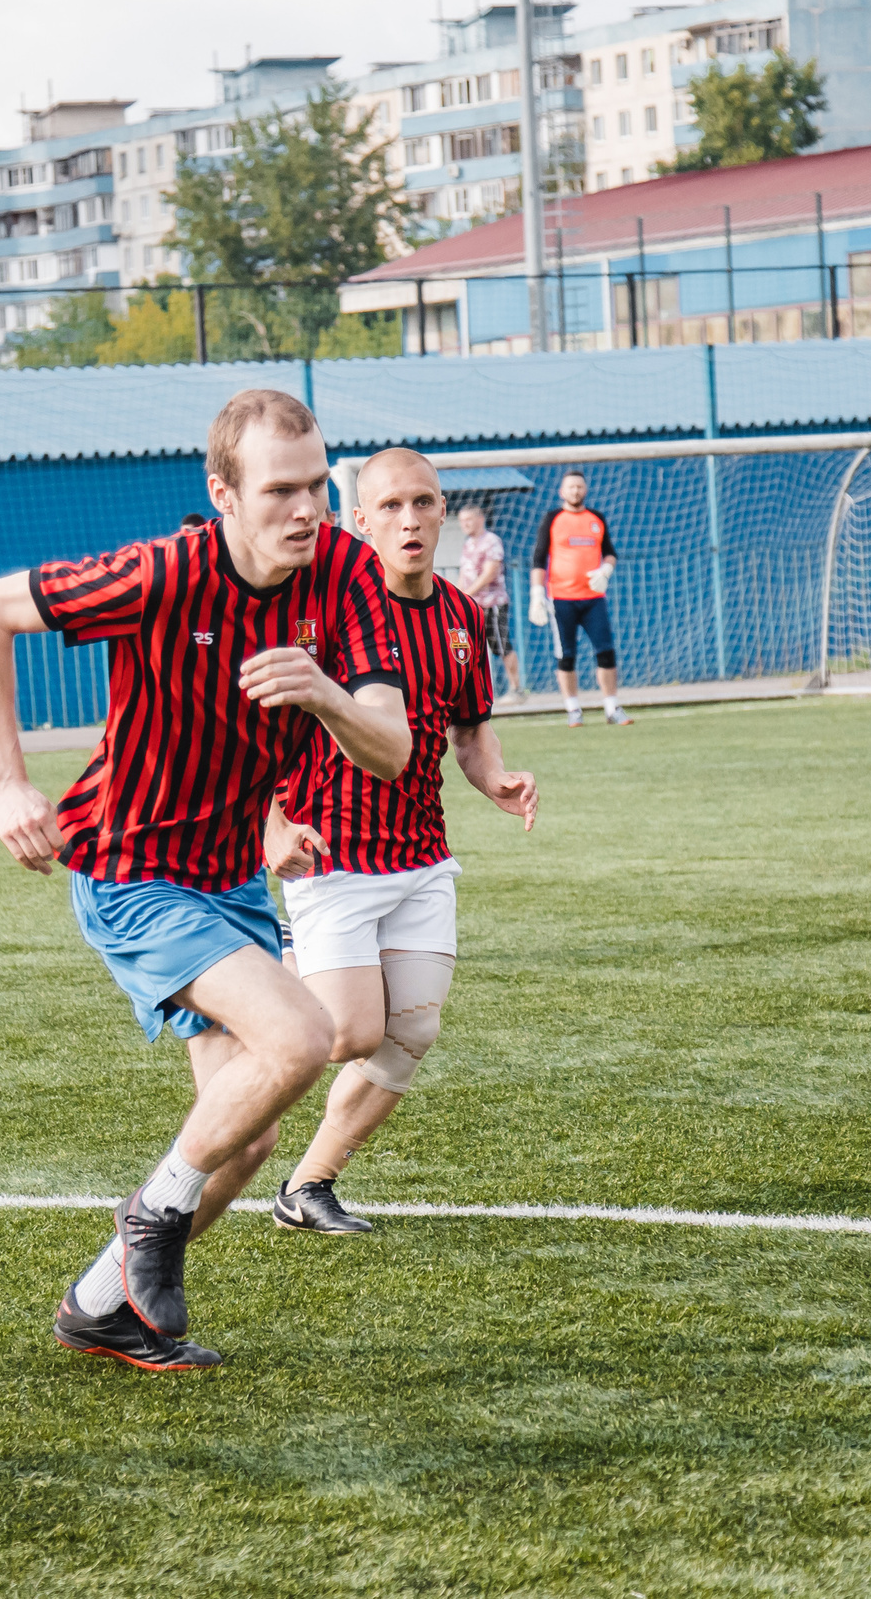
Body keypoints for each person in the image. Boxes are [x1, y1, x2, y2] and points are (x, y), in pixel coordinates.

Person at [0, 387, 410, 1372]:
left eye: (318, 486)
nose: (307, 509)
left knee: (245, 1138)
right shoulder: (164, 571)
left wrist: (325, 693)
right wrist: (3, 782)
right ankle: (151, 1223)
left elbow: (391, 746)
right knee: (300, 1035)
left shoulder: (345, 573)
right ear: (224, 494)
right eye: (281, 490)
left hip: (231, 878)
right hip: (130, 866)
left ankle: (97, 1304)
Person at [263, 450, 537, 1234]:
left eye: (422, 502)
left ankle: (308, 1185)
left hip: (421, 854)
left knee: (411, 1030)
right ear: (360, 520)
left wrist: (496, 779)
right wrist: (270, 823)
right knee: (349, 1031)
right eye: (389, 506)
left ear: (444, 510)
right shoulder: (316, 612)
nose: (409, 519)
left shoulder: (460, 615)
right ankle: (273, 957)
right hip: (331, 850)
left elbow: (468, 728)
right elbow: (248, 733)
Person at [530, 470, 626, 726]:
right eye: (570, 487)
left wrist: (606, 570)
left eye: (579, 487)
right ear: (562, 491)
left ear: (585, 490)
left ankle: (612, 707)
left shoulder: (597, 518)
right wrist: (537, 594)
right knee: (566, 656)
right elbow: (539, 559)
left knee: (606, 652)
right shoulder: (552, 519)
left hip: (594, 598)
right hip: (561, 599)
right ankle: (573, 709)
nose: (575, 491)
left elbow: (610, 553)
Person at [454, 502, 526, 704]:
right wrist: (457, 597)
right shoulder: (468, 544)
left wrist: (467, 593)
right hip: (470, 605)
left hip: (491, 604)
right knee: (468, 648)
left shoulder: (491, 541)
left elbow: (490, 572)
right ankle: (471, 692)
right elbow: (464, 574)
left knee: (501, 645)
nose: (465, 524)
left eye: (468, 520)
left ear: (480, 519)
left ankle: (516, 689)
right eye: (462, 521)